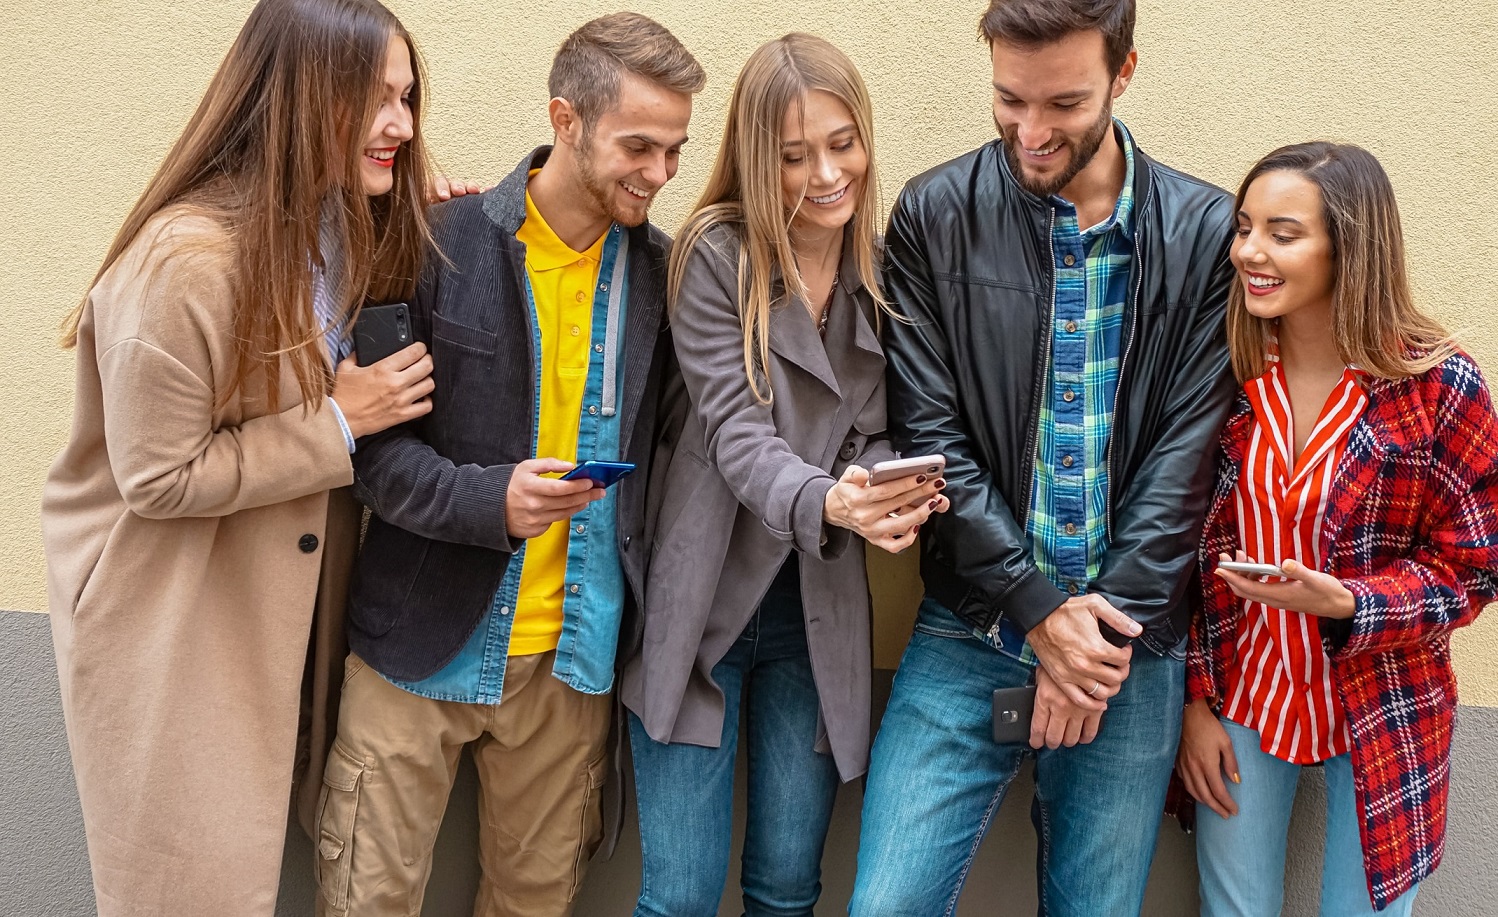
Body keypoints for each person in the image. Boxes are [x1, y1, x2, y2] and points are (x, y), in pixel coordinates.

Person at [40, 0, 436, 913]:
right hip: (176, 631)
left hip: (264, 624)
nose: (403, 126)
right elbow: (158, 476)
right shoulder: (187, 260)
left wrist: (413, 192)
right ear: (300, 96)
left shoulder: (329, 226)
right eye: (376, 99)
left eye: (407, 99)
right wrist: (341, 425)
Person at [849, 0, 1240, 913]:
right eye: (1008, 99)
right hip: (970, 625)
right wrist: (1037, 613)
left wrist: (1090, 639)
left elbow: (1189, 458)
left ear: (1124, 71)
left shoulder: (1206, 232)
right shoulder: (933, 213)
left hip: (1130, 651)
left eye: (1062, 103)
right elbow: (931, 435)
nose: (1031, 130)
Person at [313, 13, 705, 917]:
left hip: (572, 668)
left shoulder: (666, 275)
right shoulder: (431, 238)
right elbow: (369, 454)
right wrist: (491, 501)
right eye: (638, 146)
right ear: (566, 120)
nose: (660, 173)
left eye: (676, 150)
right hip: (413, 650)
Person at [618, 33, 949, 917]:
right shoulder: (715, 257)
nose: (826, 173)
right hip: (701, 617)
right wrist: (832, 498)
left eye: (843, 143)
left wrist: (886, 492)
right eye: (795, 155)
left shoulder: (875, 269)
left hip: (816, 617)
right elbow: (735, 431)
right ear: (757, 157)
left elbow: (874, 431)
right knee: (680, 897)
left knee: (785, 890)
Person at [1172, 141, 1498, 916]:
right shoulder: (1231, 377)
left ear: (1349, 245)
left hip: (1386, 702)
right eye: (1245, 227)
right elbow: (1183, 555)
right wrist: (1193, 703)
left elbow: (1475, 568)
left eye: (1282, 234)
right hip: (1244, 694)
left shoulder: (1435, 388)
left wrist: (1352, 602)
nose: (1250, 251)